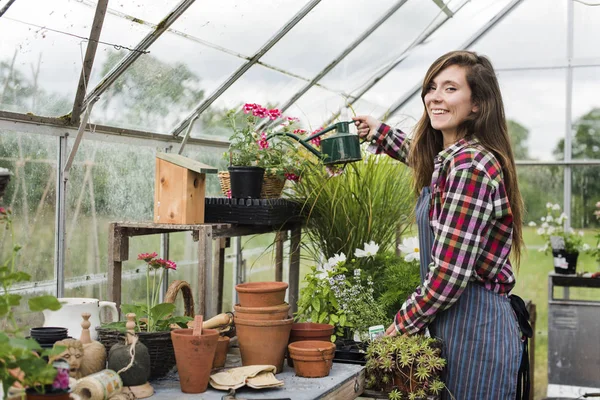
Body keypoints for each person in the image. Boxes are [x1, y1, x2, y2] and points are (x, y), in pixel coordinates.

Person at [353, 50, 526, 399]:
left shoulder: (470, 167)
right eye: (432, 87)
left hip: (476, 329)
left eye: (450, 89)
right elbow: (421, 156)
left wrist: (399, 327)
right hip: (457, 323)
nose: (435, 97)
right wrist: (379, 132)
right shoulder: (451, 159)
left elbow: (449, 274)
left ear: (477, 103)